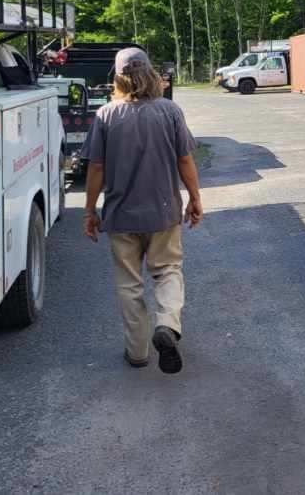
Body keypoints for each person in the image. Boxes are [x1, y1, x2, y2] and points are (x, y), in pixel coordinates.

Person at [81, 47, 203, 374]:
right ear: (151, 73)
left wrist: (90, 210)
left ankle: (137, 352)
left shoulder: (106, 115)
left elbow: (96, 168)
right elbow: (185, 160)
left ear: (118, 77)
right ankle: (166, 325)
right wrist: (194, 198)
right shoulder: (170, 111)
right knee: (167, 271)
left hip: (121, 216)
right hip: (163, 212)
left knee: (128, 283)